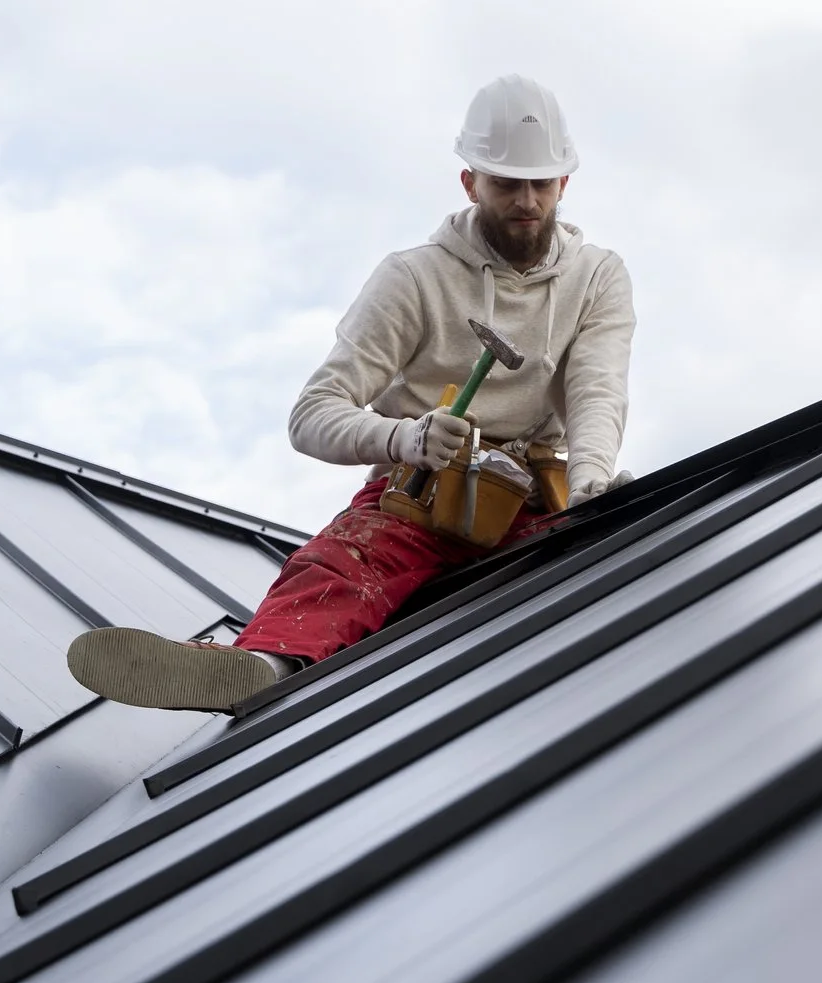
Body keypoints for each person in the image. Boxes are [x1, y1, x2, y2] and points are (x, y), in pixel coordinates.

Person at [67, 75, 635, 711]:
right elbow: (313, 415)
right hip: (420, 496)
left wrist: (591, 481)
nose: (526, 200)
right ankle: (262, 667)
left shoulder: (597, 278)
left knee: (613, 561)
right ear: (470, 182)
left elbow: (597, 389)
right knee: (343, 569)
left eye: (541, 182)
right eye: (506, 183)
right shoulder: (414, 278)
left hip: (532, 502)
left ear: (564, 183)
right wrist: (406, 436)